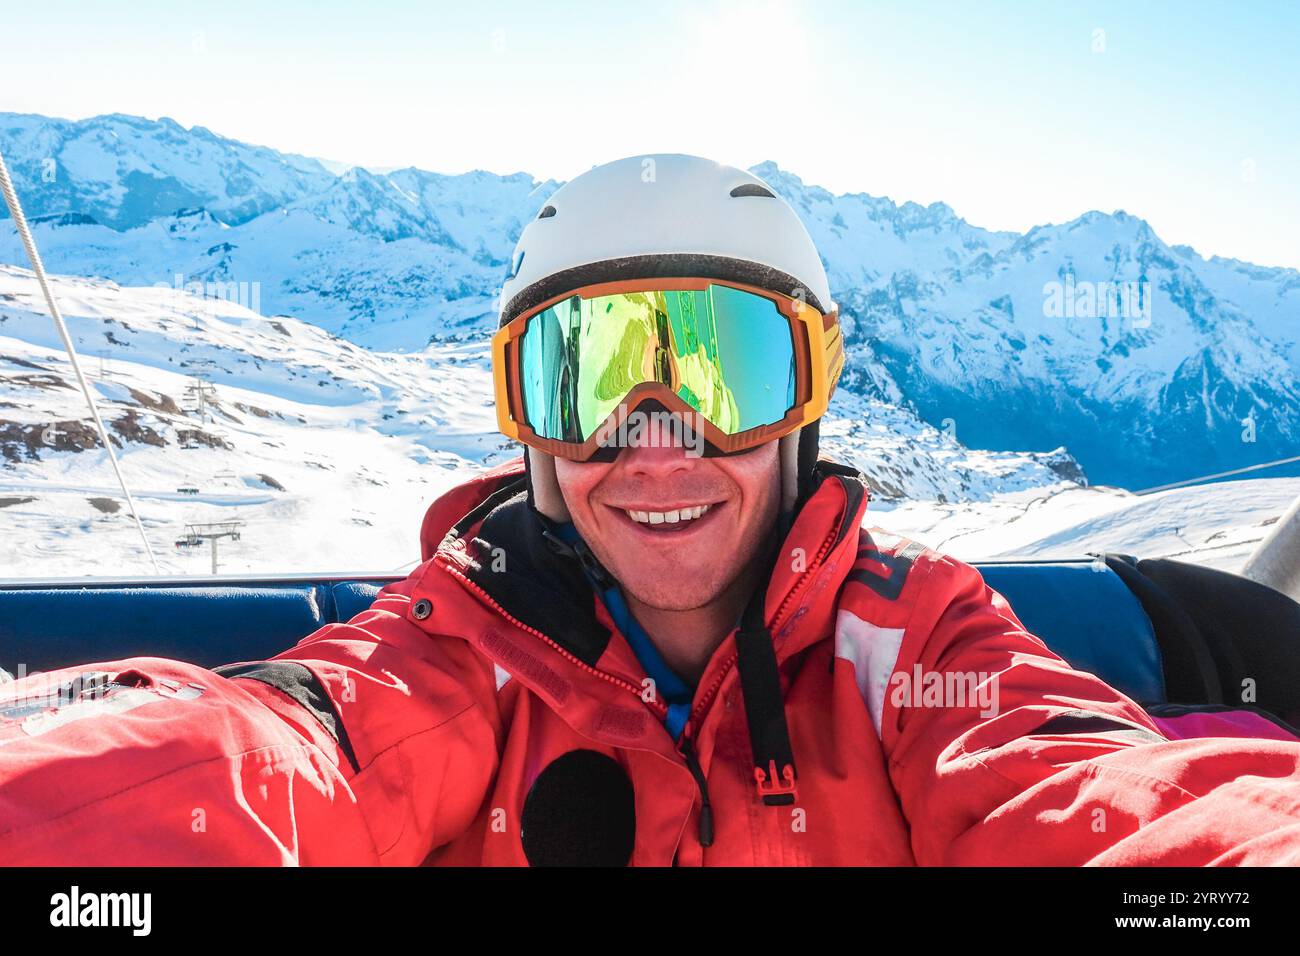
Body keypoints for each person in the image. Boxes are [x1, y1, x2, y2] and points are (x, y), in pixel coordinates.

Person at [2, 154, 1298, 866]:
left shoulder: (920, 653)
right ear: (526, 421)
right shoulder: (453, 655)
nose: (657, 441)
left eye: (725, 367)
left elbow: (1097, 790)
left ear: (809, 398)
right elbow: (277, 759)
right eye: (590, 379)